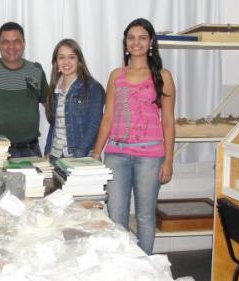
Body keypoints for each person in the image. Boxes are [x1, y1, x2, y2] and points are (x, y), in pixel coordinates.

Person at [92, 18, 176, 254]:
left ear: (150, 42)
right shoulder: (116, 75)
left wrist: (169, 160)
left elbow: (168, 121)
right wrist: (96, 152)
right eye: (131, 38)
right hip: (116, 154)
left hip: (150, 156)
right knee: (116, 216)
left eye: (142, 37)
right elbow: (108, 116)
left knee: (145, 216)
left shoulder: (163, 76)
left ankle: (145, 268)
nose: (136, 42)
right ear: (125, 43)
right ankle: (122, 268)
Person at [0, 22, 48, 158]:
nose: (11, 47)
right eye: (5, 42)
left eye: (16, 41)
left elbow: (50, 107)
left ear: (24, 43)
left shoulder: (35, 71)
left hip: (30, 150)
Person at [44, 39, 105, 164]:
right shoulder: (54, 89)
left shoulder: (93, 88)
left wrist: (78, 156)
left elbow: (94, 125)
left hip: (81, 158)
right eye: (61, 57)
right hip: (55, 157)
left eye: (72, 57)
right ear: (56, 62)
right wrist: (47, 152)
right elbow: (53, 124)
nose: (66, 62)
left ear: (79, 61)